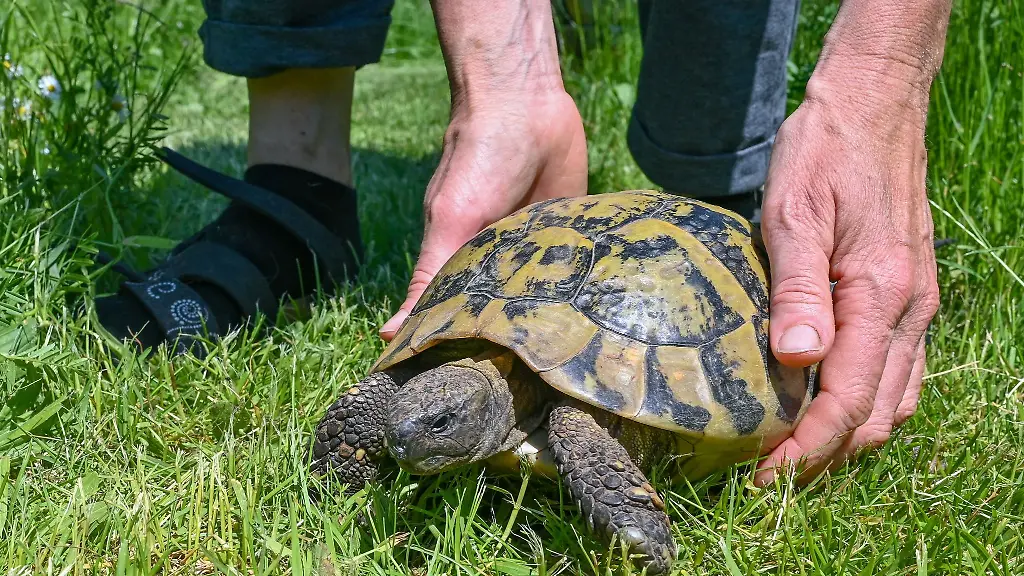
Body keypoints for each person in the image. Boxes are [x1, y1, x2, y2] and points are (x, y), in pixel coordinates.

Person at [93, 0, 951, 486]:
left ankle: (719, 177)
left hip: (659, 314)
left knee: (585, 433)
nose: (408, 427)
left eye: (431, 417)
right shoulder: (436, 398)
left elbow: (575, 420)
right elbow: (390, 406)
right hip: (520, 295)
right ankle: (295, 181)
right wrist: (506, 69)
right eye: (426, 415)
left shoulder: (575, 428)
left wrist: (882, 79)